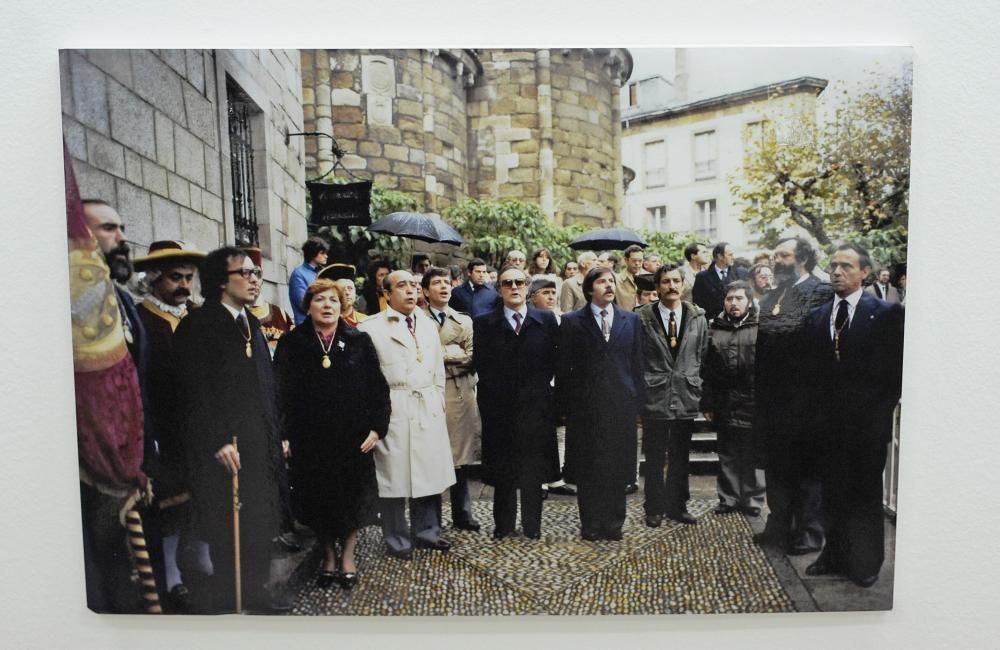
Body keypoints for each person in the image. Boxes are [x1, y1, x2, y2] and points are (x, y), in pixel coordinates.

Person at [172, 247, 290, 613]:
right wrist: (218, 440)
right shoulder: (199, 325)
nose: (256, 279)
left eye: (257, 272)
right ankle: (228, 598)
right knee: (226, 525)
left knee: (257, 521)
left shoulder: (250, 323)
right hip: (225, 448)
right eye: (247, 272)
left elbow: (267, 385)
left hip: (258, 442)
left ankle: (256, 590)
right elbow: (194, 392)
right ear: (222, 280)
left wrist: (278, 433)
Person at [274, 279, 390, 590]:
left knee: (351, 499)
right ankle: (327, 556)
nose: (327, 306)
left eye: (334, 300)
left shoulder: (358, 341)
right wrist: (282, 435)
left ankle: (348, 556)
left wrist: (377, 429)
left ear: (342, 306)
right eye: (320, 300)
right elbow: (279, 392)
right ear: (308, 306)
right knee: (317, 500)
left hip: (353, 439)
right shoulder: (292, 344)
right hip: (309, 438)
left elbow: (378, 389)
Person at [803, 243, 904, 588]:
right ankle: (833, 554)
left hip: (866, 428)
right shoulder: (817, 318)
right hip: (827, 429)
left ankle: (865, 562)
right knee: (831, 493)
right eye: (833, 265)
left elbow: (893, 377)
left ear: (865, 273)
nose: (836, 272)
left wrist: (877, 420)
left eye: (846, 266)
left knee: (863, 495)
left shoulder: (886, 315)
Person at [73, 183, 149, 612]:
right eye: (108, 228)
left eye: (121, 227)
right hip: (87, 468)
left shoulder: (121, 299)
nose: (121, 237)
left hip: (127, 460)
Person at [132, 240, 210, 610]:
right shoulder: (142, 318)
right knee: (170, 502)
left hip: (200, 424)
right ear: (155, 279)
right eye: (176, 277)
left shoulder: (196, 314)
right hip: (162, 426)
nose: (184, 285)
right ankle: (171, 573)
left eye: (189, 277)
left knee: (204, 493)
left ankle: (200, 556)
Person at [358, 271, 456, 560]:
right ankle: (397, 537)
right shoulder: (371, 327)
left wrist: (437, 398)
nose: (411, 291)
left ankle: (428, 531)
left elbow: (438, 370)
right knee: (393, 477)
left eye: (414, 286)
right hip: (393, 405)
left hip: (425, 403)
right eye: (402, 286)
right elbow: (365, 377)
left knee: (428, 473)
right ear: (387, 294)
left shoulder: (426, 324)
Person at [754, 236, 833, 555]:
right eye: (774, 255)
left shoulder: (821, 292)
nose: (776, 261)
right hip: (774, 402)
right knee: (777, 467)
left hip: (808, 401)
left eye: (783, 255)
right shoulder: (771, 295)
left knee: (808, 470)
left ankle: (810, 531)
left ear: (803, 259)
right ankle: (779, 525)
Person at [557, 267, 644, 541]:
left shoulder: (630, 320)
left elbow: (637, 363)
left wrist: (639, 402)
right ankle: (591, 523)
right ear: (589, 289)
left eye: (611, 281)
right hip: (585, 406)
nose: (608, 285)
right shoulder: (572, 322)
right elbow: (564, 368)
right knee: (589, 466)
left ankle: (614, 522)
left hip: (621, 404)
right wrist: (564, 406)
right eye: (601, 281)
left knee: (617, 465)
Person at [475, 266, 561, 539]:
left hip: (536, 406)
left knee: (533, 469)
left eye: (519, 282)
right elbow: (482, 365)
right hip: (499, 407)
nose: (514, 287)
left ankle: (532, 525)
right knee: (503, 469)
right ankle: (504, 525)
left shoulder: (545, 321)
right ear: (499, 289)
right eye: (507, 283)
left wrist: (536, 392)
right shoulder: (485, 323)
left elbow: (552, 363)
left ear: (527, 288)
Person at [636, 263, 708, 527]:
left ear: (683, 284)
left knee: (681, 455)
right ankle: (653, 507)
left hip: (686, 393)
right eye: (665, 281)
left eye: (676, 281)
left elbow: (702, 354)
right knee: (654, 456)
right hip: (654, 395)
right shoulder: (642, 317)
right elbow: (636, 358)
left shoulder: (698, 317)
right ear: (657, 287)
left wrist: (698, 386)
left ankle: (678, 506)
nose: (672, 286)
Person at [421, 267, 483, 533]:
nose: (444, 287)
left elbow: (472, 358)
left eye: (447, 282)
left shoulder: (464, 321)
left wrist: (441, 354)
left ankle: (463, 513)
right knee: (431, 457)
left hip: (460, 393)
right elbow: (421, 358)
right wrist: (450, 352)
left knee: (462, 458)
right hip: (430, 393)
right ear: (425, 291)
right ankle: (430, 520)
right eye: (436, 283)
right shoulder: (418, 321)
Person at [700, 281, 765, 517]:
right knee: (727, 452)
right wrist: (707, 402)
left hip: (753, 399)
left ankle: (752, 499)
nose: (734, 303)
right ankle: (728, 498)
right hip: (724, 400)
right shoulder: (715, 329)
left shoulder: (761, 327)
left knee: (752, 452)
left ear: (749, 301)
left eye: (739, 298)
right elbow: (707, 370)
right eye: (729, 299)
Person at [527, 278, 577, 498]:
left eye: (552, 292)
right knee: (538, 432)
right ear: (532, 297)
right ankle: (539, 481)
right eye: (545, 292)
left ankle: (556, 477)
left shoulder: (564, 319)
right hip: (538, 384)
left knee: (561, 430)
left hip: (561, 383)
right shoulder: (528, 320)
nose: (550, 296)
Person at [692, 242, 747, 319]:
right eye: (730, 255)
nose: (733, 257)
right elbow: (698, 303)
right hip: (713, 323)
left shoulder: (741, 273)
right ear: (720, 256)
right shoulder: (702, 277)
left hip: (737, 321)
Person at [288, 236, 329, 325]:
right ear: (312, 254)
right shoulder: (298, 274)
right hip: (306, 327)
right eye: (322, 253)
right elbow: (303, 304)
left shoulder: (323, 273)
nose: (326, 256)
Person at [318, 263, 368, 327]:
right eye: (342, 289)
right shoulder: (324, 322)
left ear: (355, 292)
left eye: (350, 288)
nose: (347, 292)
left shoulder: (365, 320)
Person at [615, 244, 644, 310]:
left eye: (640, 261)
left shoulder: (648, 279)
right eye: (634, 260)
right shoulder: (617, 280)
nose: (637, 263)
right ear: (626, 260)